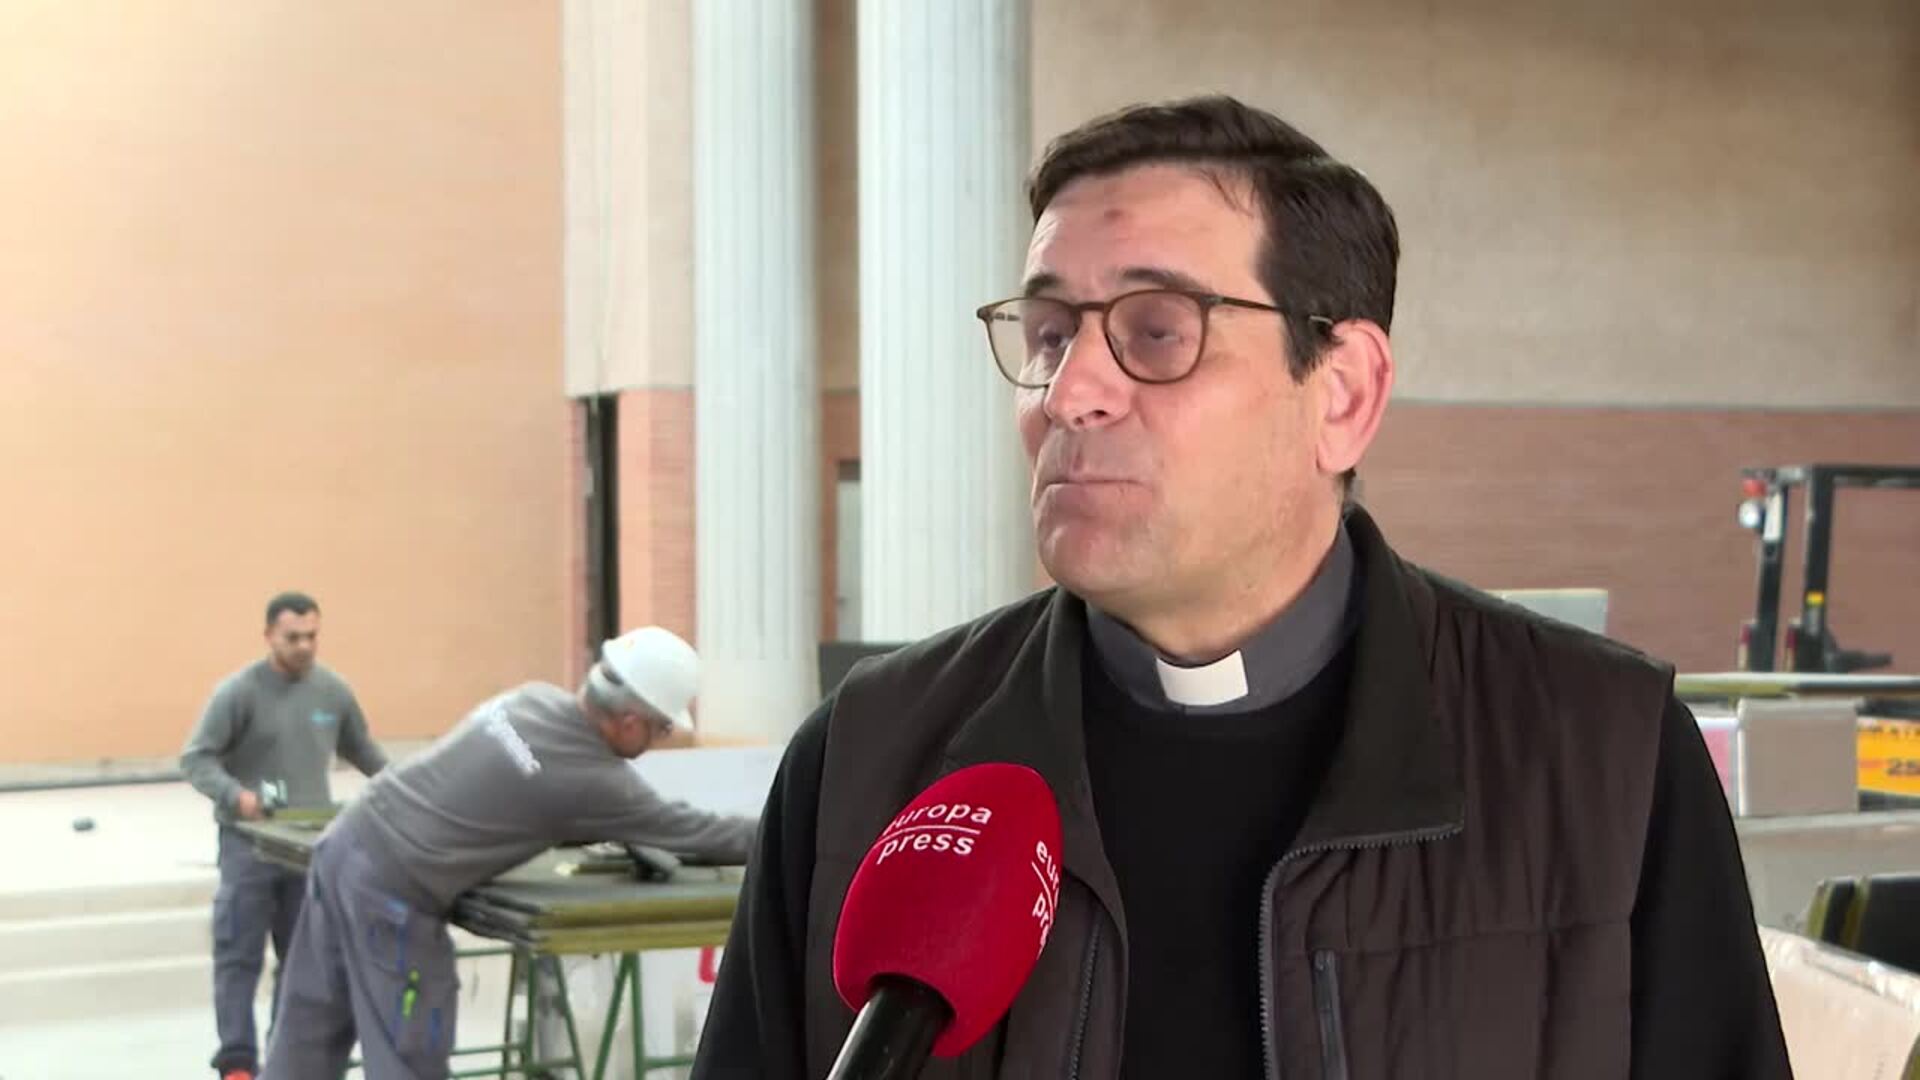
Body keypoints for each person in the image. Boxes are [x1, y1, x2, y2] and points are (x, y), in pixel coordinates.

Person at [693, 96, 1791, 1078]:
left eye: (1157, 332)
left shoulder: (1604, 758)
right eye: (1049, 334)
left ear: (1343, 394)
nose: (1068, 393)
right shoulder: (864, 764)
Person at [261, 626, 758, 1080]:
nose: (658, 740)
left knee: (308, 1032)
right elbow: (696, 832)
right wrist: (781, 833)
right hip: (394, 892)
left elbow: (510, 793)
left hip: (347, 841)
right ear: (630, 721)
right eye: (661, 729)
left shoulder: (532, 699)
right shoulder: (596, 783)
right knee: (408, 1054)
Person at [183, 590, 388, 1080]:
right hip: (249, 846)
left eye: (312, 636)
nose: (304, 646)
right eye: (292, 637)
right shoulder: (238, 693)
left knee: (300, 962)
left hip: (308, 849)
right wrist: (236, 796)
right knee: (239, 956)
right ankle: (237, 1062)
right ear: (269, 635)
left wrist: (406, 786)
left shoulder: (332, 692)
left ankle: (283, 1058)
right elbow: (196, 759)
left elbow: (365, 752)